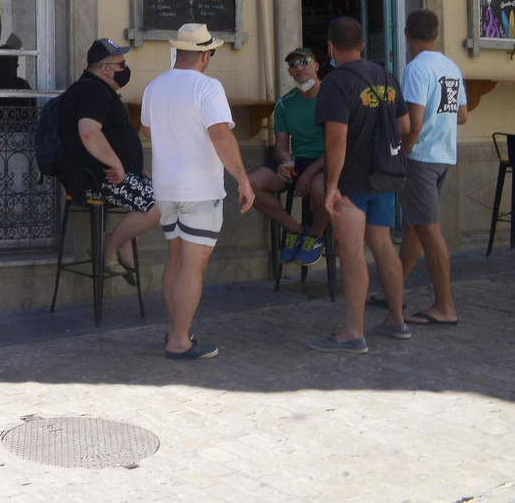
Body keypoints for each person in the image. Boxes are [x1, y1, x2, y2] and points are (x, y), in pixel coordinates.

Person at [142, 24, 255, 359]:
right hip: (199, 190)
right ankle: (179, 340)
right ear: (205, 54)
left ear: (178, 51)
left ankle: (178, 328)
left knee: (175, 260)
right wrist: (243, 180)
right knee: (193, 267)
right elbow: (221, 135)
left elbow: (146, 130)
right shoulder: (207, 87)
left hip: (166, 187)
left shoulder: (154, 86)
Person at [310, 17, 413, 353]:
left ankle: (353, 332)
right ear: (363, 45)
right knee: (383, 244)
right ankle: (397, 320)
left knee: (352, 253)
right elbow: (406, 123)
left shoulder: (335, 82)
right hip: (385, 175)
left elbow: (336, 139)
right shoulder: (385, 75)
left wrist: (331, 185)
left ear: (329, 46)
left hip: (352, 180)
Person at [56, 38, 158, 283]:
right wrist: (118, 165)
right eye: (121, 64)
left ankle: (123, 247)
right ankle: (110, 246)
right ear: (105, 69)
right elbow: (89, 132)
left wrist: (132, 169)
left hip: (109, 175)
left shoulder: (94, 89)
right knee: (163, 201)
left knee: (166, 191)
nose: (125, 68)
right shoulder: (92, 91)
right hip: (99, 179)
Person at [387, 9, 466, 326]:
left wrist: (401, 154)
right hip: (445, 154)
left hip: (420, 158)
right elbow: (461, 115)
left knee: (429, 231)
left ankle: (444, 305)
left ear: (406, 34)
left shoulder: (416, 69)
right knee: (416, 226)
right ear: (437, 33)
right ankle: (394, 288)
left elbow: (413, 123)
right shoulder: (451, 67)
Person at [243, 48, 329, 266]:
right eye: (293, 65)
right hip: (298, 161)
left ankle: (316, 236)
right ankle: (296, 230)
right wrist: (286, 162)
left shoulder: (332, 96)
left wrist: (309, 173)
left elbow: (338, 145)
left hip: (327, 161)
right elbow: (280, 146)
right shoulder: (284, 103)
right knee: (250, 184)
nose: (299, 68)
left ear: (316, 65)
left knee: (320, 190)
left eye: (304, 61)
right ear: (289, 72)